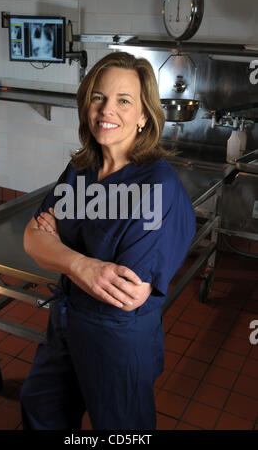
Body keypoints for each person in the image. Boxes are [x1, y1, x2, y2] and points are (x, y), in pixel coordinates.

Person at [20, 52, 196, 430]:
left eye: (123, 100)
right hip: (65, 320)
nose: (106, 110)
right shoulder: (81, 170)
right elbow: (33, 238)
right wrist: (82, 264)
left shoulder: (156, 187)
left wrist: (59, 251)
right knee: (41, 407)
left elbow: (125, 291)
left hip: (115, 337)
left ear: (144, 115)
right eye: (98, 97)